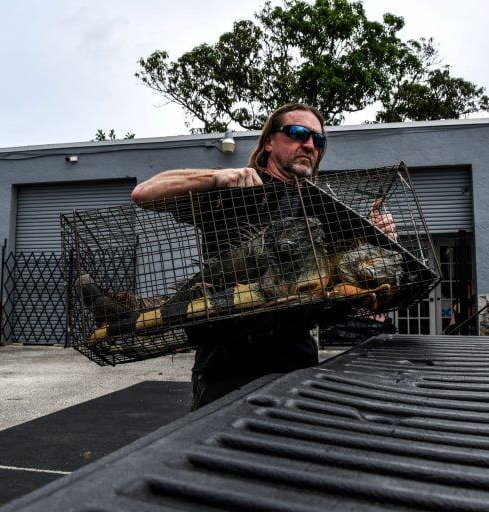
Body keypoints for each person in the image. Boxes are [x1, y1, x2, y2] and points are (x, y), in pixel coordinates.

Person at [131, 102, 395, 410]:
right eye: (298, 133)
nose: (309, 144)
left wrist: (379, 237)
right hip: (224, 363)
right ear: (269, 141)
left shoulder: (323, 207)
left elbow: (349, 282)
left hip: (295, 363)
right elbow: (144, 194)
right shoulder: (233, 189)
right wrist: (216, 178)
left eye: (318, 140)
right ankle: (128, 308)